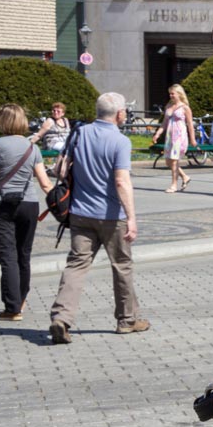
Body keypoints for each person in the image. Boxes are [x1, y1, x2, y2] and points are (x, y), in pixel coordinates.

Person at [48, 91, 150, 343]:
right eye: (124, 110)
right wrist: (132, 217)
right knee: (122, 266)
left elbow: (60, 170)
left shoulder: (80, 134)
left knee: (76, 265)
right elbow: (121, 181)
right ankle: (126, 321)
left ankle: (61, 317)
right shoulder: (121, 141)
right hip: (112, 216)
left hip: (80, 213)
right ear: (119, 114)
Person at [0, 105, 54, 320]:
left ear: (3, 122)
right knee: (24, 255)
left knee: (8, 257)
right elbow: (44, 182)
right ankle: (21, 301)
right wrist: (62, 204)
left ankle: (12, 308)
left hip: (2, 204)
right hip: (29, 204)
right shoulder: (31, 147)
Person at [151, 84, 195, 193]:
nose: (171, 96)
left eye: (173, 93)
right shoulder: (168, 107)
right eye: (170, 94)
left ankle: (174, 185)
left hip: (179, 136)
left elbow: (190, 124)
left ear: (179, 94)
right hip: (170, 137)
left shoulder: (185, 108)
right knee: (168, 161)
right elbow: (164, 124)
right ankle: (185, 177)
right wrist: (157, 134)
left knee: (174, 161)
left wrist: (193, 139)